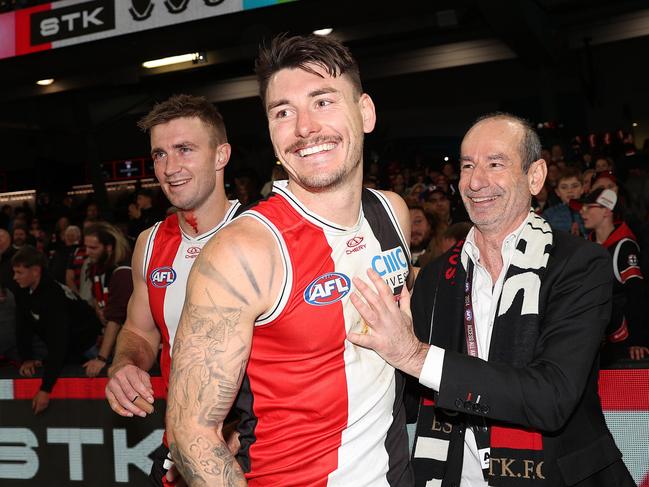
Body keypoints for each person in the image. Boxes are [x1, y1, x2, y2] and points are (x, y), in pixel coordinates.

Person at [166, 34, 414, 486]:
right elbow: (191, 432)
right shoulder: (245, 252)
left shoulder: (391, 212)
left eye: (322, 102)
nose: (304, 128)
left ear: (365, 113)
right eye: (283, 112)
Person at [348, 113, 634, 486]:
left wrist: (414, 355)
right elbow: (410, 398)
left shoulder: (580, 266)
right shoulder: (436, 278)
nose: (476, 181)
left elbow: (551, 398)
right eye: (467, 166)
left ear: (535, 176)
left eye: (495, 164)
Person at [104, 94, 241, 487]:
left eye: (185, 150)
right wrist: (125, 364)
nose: (170, 168)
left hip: (254, 447)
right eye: (160, 155)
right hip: (181, 447)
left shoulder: (263, 235)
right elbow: (139, 331)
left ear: (221, 155)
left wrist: (241, 428)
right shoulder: (151, 242)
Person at [13, 246, 102, 414]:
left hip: (88, 344)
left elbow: (59, 342)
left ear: (35, 271)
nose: (15, 277)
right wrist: (27, 358)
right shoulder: (23, 290)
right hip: (67, 344)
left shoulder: (53, 296)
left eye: (19, 272)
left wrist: (45, 390)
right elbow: (22, 327)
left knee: (93, 402)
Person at [578, 188, 649, 362]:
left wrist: (638, 340)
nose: (582, 211)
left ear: (606, 211)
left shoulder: (624, 246)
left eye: (589, 207)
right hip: (596, 336)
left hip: (623, 338)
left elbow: (637, 295)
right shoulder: (587, 245)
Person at [82, 222, 133, 377]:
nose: (87, 252)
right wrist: (98, 307)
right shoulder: (96, 266)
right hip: (111, 338)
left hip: (130, 344)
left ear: (109, 247)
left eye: (93, 248)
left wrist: (101, 358)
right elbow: (96, 297)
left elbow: (116, 319)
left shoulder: (123, 272)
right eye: (86, 247)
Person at [542, 166, 586, 236]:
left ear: (583, 189)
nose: (570, 191)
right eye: (564, 187)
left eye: (575, 186)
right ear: (557, 192)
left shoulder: (590, 212)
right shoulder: (549, 214)